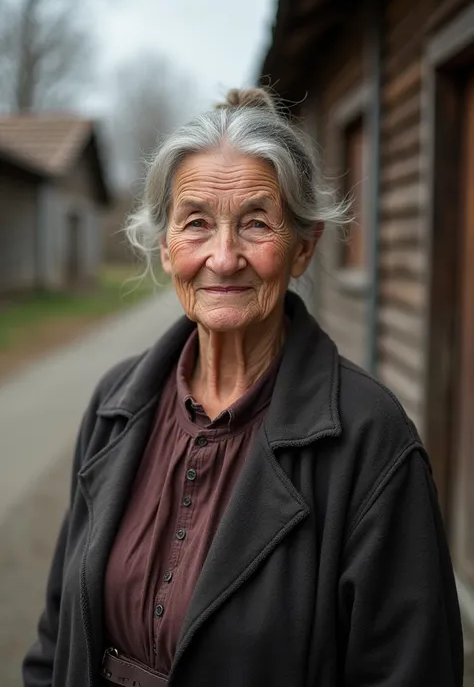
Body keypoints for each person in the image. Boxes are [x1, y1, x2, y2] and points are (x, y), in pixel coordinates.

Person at [23, 88, 463, 687]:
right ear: (166, 245)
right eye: (197, 223)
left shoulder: (371, 441)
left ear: (303, 248)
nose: (223, 258)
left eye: (256, 223)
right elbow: (56, 638)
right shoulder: (116, 403)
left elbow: (409, 670)